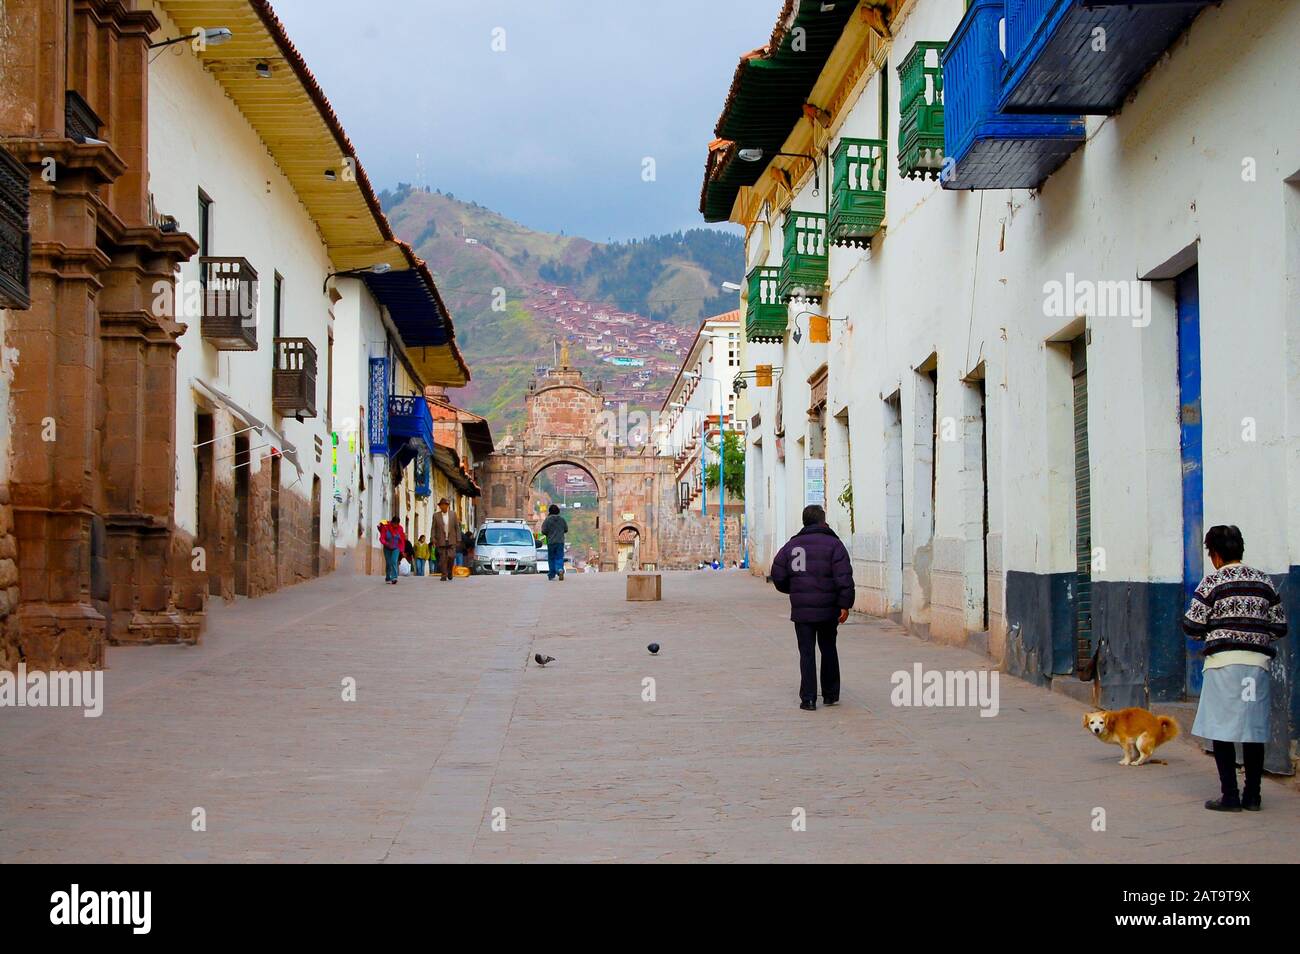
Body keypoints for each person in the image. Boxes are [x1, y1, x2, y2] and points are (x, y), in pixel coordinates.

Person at [1182, 525, 1287, 812]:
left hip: (1223, 665)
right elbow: (1279, 627)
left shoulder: (1212, 582)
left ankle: (1230, 796)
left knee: (1221, 729)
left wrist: (1214, 633)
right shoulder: (1264, 581)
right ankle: (1253, 796)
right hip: (1256, 666)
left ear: (1215, 554)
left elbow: (1191, 625)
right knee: (1253, 729)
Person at [770, 504, 855, 711]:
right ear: (822, 521)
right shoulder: (834, 545)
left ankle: (808, 699)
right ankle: (830, 694)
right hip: (828, 610)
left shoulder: (792, 546)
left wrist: (793, 589)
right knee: (828, 649)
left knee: (806, 653)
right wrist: (845, 604)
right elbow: (844, 577)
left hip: (802, 611)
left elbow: (778, 573)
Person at [430, 498, 460, 581]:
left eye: (445, 505)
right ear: (440, 506)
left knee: (451, 557)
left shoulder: (453, 514)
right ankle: (444, 575)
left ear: (448, 506)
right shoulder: (436, 516)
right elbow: (433, 528)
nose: (443, 507)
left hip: (451, 540)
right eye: (441, 505)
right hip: (441, 540)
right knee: (443, 559)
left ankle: (450, 571)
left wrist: (458, 539)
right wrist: (433, 538)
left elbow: (457, 527)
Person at [540, 504, 568, 581]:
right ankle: (559, 569)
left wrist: (549, 533)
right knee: (559, 557)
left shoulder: (547, 520)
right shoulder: (562, 520)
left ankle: (552, 574)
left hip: (551, 542)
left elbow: (543, 531)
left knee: (551, 558)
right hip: (560, 542)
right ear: (558, 511)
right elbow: (566, 529)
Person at [378, 515, 406, 585]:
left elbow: (402, 540)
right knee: (388, 563)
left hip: (396, 548)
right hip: (387, 548)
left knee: (394, 561)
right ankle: (388, 577)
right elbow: (382, 538)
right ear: (392, 522)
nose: (396, 526)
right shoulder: (386, 527)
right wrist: (386, 543)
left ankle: (394, 577)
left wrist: (402, 550)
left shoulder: (400, 528)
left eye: (397, 524)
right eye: (394, 524)